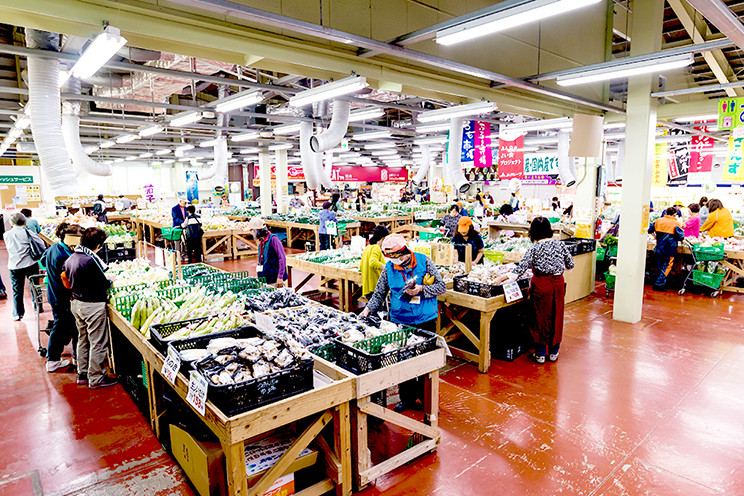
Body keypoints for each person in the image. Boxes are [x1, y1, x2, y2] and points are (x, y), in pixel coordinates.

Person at [361, 234, 446, 410]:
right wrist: (367, 310)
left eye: (396, 256)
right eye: (390, 257)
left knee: (425, 363)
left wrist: (422, 289)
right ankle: (406, 399)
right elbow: (379, 293)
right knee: (402, 361)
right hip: (400, 320)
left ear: (405, 251)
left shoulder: (424, 261)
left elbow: (441, 286)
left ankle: (426, 399)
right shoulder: (389, 268)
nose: (394, 260)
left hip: (425, 320)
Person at [494, 217, 575, 364]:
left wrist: (501, 279)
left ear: (533, 232)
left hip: (541, 285)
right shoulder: (560, 245)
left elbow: (520, 269)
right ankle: (554, 352)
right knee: (557, 316)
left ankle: (540, 354)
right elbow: (570, 264)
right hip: (557, 284)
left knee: (539, 318)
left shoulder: (534, 248)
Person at [64, 227, 117, 389]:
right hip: (92, 306)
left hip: (77, 304)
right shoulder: (89, 260)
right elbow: (102, 283)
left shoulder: (72, 258)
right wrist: (111, 281)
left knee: (82, 339)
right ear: (97, 245)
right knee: (98, 342)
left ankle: (82, 373)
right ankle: (96, 378)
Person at [41, 222, 79, 373]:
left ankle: (61, 358)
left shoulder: (54, 247)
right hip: (62, 297)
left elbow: (43, 262)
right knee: (61, 326)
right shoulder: (64, 256)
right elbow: (71, 280)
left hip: (55, 293)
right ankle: (53, 360)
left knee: (63, 325)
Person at [3, 212, 42, 321]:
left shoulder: (6, 235)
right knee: (35, 285)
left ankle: (17, 313)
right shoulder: (28, 232)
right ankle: (38, 307)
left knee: (17, 290)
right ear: (24, 221)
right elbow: (41, 244)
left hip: (14, 266)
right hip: (30, 263)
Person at [648, 207, 685, 291]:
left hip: (659, 247)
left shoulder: (658, 221)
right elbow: (680, 236)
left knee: (660, 266)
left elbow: (649, 229)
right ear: (675, 214)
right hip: (670, 249)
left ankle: (660, 283)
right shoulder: (676, 223)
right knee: (667, 266)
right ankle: (659, 284)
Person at [248, 217, 287, 287]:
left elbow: (282, 258)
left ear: (258, 231)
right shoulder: (261, 242)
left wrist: (280, 277)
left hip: (275, 279)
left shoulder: (273, 239)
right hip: (266, 279)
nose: (252, 234)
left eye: (253, 231)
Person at [360, 225, 389, 299]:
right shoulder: (376, 248)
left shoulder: (368, 247)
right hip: (374, 286)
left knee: (370, 308)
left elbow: (361, 265)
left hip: (368, 285)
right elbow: (373, 262)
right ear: (383, 238)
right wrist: (387, 268)